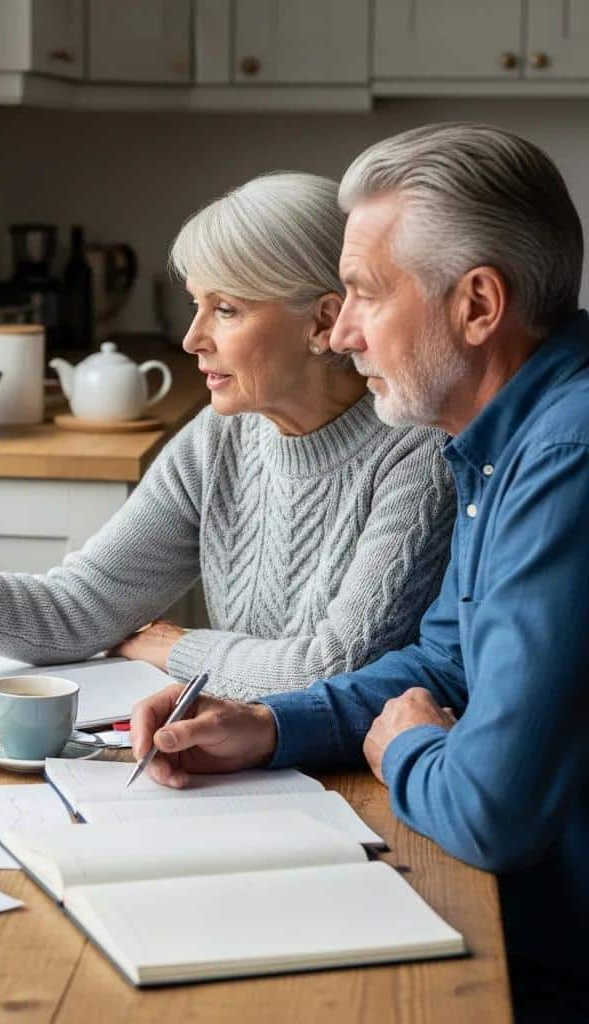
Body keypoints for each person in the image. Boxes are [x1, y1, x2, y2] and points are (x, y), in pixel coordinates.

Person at [130, 124, 589, 1021]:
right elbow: (445, 666)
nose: (339, 333)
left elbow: (493, 810)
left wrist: (405, 746)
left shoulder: (567, 456)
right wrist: (266, 725)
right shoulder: (499, 441)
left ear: (478, 305)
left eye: (365, 297)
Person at [0, 173, 454, 701]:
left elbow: (330, 670)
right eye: (195, 306)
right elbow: (74, 611)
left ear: (323, 321)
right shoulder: (219, 440)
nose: (192, 339)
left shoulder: (419, 456)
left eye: (227, 309)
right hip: (241, 760)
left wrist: (173, 647)